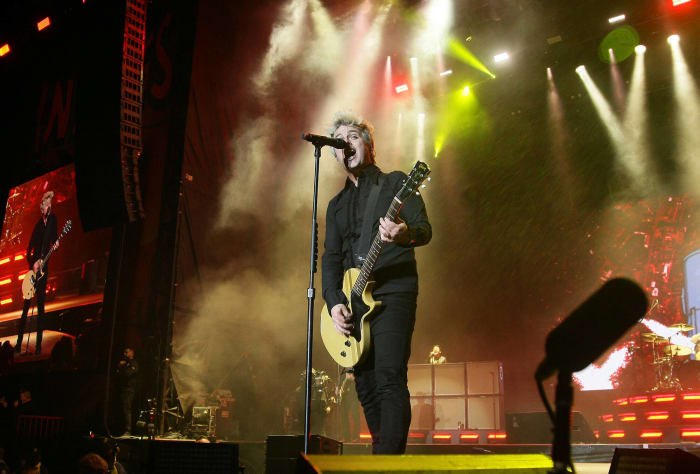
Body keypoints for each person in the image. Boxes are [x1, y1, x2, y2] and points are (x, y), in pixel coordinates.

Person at [322, 112, 431, 454]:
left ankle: (388, 463)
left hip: (393, 291)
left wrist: (403, 235)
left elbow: (424, 230)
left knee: (388, 377)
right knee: (366, 388)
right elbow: (331, 259)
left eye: (353, 136)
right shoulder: (336, 206)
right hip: (355, 301)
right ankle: (383, 455)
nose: (346, 143)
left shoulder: (396, 182)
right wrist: (333, 300)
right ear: (335, 153)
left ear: (368, 145)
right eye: (340, 140)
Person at [15, 191, 58, 355]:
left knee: (41, 308)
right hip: (33, 272)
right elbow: (28, 250)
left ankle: (39, 347)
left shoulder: (53, 221)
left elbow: (54, 238)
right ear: (41, 207)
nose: (48, 206)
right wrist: (33, 262)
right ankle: (19, 344)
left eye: (50, 203)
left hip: (44, 270)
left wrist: (57, 243)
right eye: (46, 203)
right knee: (26, 309)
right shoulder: (37, 226)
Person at [116, 347, 139, 436]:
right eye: (124, 352)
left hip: (129, 389)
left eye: (127, 352)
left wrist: (124, 366)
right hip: (122, 388)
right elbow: (118, 374)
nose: (125, 354)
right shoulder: (123, 363)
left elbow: (128, 373)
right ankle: (122, 429)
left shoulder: (134, 363)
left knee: (127, 409)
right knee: (123, 409)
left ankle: (128, 430)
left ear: (132, 353)